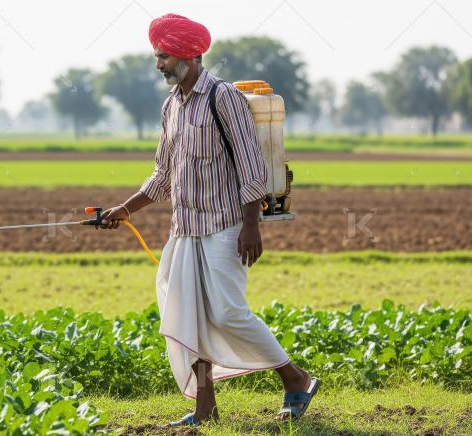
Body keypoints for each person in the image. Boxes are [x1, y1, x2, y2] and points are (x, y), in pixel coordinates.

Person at [97, 13, 320, 426]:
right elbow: (163, 174)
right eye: (158, 56)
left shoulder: (223, 98)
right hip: (184, 228)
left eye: (164, 55)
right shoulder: (171, 107)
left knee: (228, 313)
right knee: (188, 314)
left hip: (226, 226)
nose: (159, 64)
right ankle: (206, 407)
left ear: (190, 54)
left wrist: (251, 225)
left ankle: (295, 378)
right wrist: (124, 209)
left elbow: (252, 165)